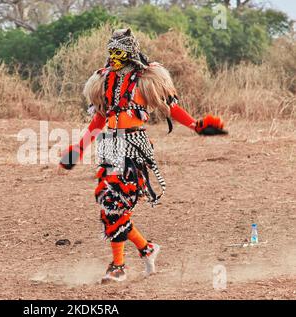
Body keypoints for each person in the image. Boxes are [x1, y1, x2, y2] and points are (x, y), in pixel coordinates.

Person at [59, 28, 226, 283]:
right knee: (109, 207)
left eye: (118, 52)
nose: (113, 57)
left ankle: (118, 266)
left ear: (129, 53)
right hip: (110, 147)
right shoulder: (103, 80)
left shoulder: (145, 80)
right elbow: (98, 121)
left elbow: (171, 108)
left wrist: (196, 125)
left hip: (134, 147)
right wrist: (79, 148)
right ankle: (146, 249)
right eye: (110, 52)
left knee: (115, 206)